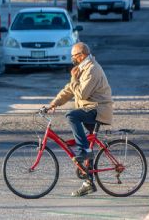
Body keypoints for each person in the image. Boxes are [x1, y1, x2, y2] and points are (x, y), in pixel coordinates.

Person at [49, 42, 113, 197]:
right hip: (90, 109)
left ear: (81, 55)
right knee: (88, 145)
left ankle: (83, 150)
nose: (72, 59)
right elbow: (70, 89)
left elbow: (82, 94)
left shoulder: (92, 69)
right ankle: (88, 183)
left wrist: (74, 78)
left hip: (98, 110)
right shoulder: (82, 69)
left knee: (72, 116)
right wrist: (54, 103)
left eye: (73, 56)